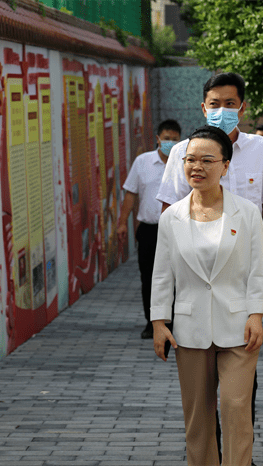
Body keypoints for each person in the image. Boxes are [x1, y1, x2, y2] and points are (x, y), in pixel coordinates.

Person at [156, 73, 263, 466]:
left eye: (207, 161)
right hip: (190, 325)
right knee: (197, 418)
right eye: (191, 161)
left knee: (234, 407)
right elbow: (163, 272)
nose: (197, 166)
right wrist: (160, 321)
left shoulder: (245, 212)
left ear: (224, 167)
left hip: (237, 322)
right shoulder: (172, 217)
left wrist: (257, 313)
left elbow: (258, 266)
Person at [117, 119, 181, 338]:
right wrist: (122, 223)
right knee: (150, 277)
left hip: (177, 231)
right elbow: (130, 193)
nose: (170, 143)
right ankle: (152, 321)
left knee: (178, 277)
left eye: (174, 139)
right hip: (149, 230)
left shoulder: (184, 162)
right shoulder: (142, 162)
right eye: (166, 138)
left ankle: (175, 321)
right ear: (157, 139)